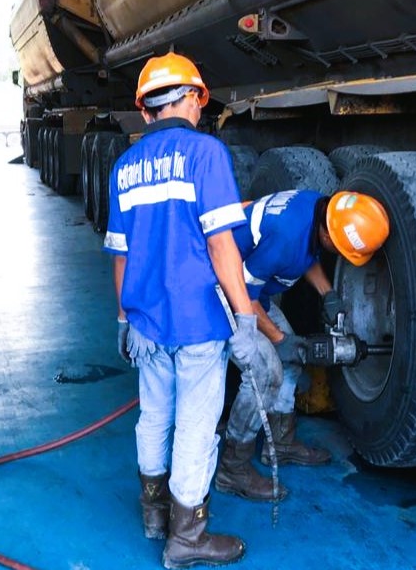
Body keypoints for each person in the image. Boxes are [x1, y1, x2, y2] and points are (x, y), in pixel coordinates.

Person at [103, 51, 259, 569]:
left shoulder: (124, 167)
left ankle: (153, 516)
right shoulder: (206, 154)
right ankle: (187, 536)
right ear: (194, 100)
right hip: (197, 321)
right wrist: (246, 319)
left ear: (146, 112)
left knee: (154, 417)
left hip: (147, 322)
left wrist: (124, 320)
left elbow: (120, 254)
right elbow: (221, 247)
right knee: (195, 423)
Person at [215, 189, 390, 501]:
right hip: (223, 295)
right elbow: (242, 295)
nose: (338, 254)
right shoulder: (285, 236)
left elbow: (307, 255)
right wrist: (279, 340)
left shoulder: (321, 208)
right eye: (338, 248)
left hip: (254, 295)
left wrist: (327, 294)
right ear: (329, 232)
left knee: (293, 358)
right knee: (266, 371)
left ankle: (279, 445)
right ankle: (234, 467)